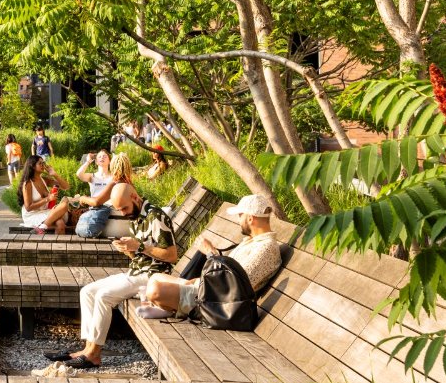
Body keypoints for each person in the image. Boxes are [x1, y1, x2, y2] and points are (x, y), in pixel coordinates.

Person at [43, 182, 179, 369]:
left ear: (135, 197)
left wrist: (139, 246)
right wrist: (128, 250)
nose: (122, 213)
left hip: (153, 277)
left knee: (103, 296)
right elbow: (140, 255)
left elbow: (171, 256)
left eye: (124, 208)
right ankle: (87, 348)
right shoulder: (135, 215)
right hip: (137, 272)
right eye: (119, 209)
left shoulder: (156, 216)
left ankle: (94, 355)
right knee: (87, 291)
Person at [142, 195, 283, 319]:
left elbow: (235, 283)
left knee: (154, 290)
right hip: (209, 289)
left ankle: (171, 309)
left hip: (215, 301)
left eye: (240, 215)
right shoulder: (253, 241)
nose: (238, 220)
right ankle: (171, 309)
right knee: (155, 278)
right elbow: (228, 274)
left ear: (250, 219)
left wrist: (211, 253)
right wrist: (196, 280)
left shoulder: (266, 247)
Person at [64, 153, 141, 238]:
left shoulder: (115, 183)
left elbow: (96, 202)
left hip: (113, 229)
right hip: (128, 230)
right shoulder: (131, 185)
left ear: (113, 167)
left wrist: (83, 198)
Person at [39, 150, 111, 234]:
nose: (102, 158)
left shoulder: (113, 176)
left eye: (105, 156)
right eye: (99, 156)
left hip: (110, 206)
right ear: (96, 162)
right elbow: (79, 174)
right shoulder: (92, 176)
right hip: (96, 208)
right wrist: (88, 161)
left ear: (109, 161)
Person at [19, 156, 71, 229]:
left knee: (61, 223)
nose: (43, 165)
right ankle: (43, 227)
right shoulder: (28, 183)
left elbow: (66, 186)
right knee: (63, 209)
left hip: (45, 212)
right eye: (40, 163)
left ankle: (43, 227)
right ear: (32, 166)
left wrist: (55, 175)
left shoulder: (44, 180)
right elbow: (28, 207)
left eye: (43, 163)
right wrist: (48, 199)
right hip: (32, 215)